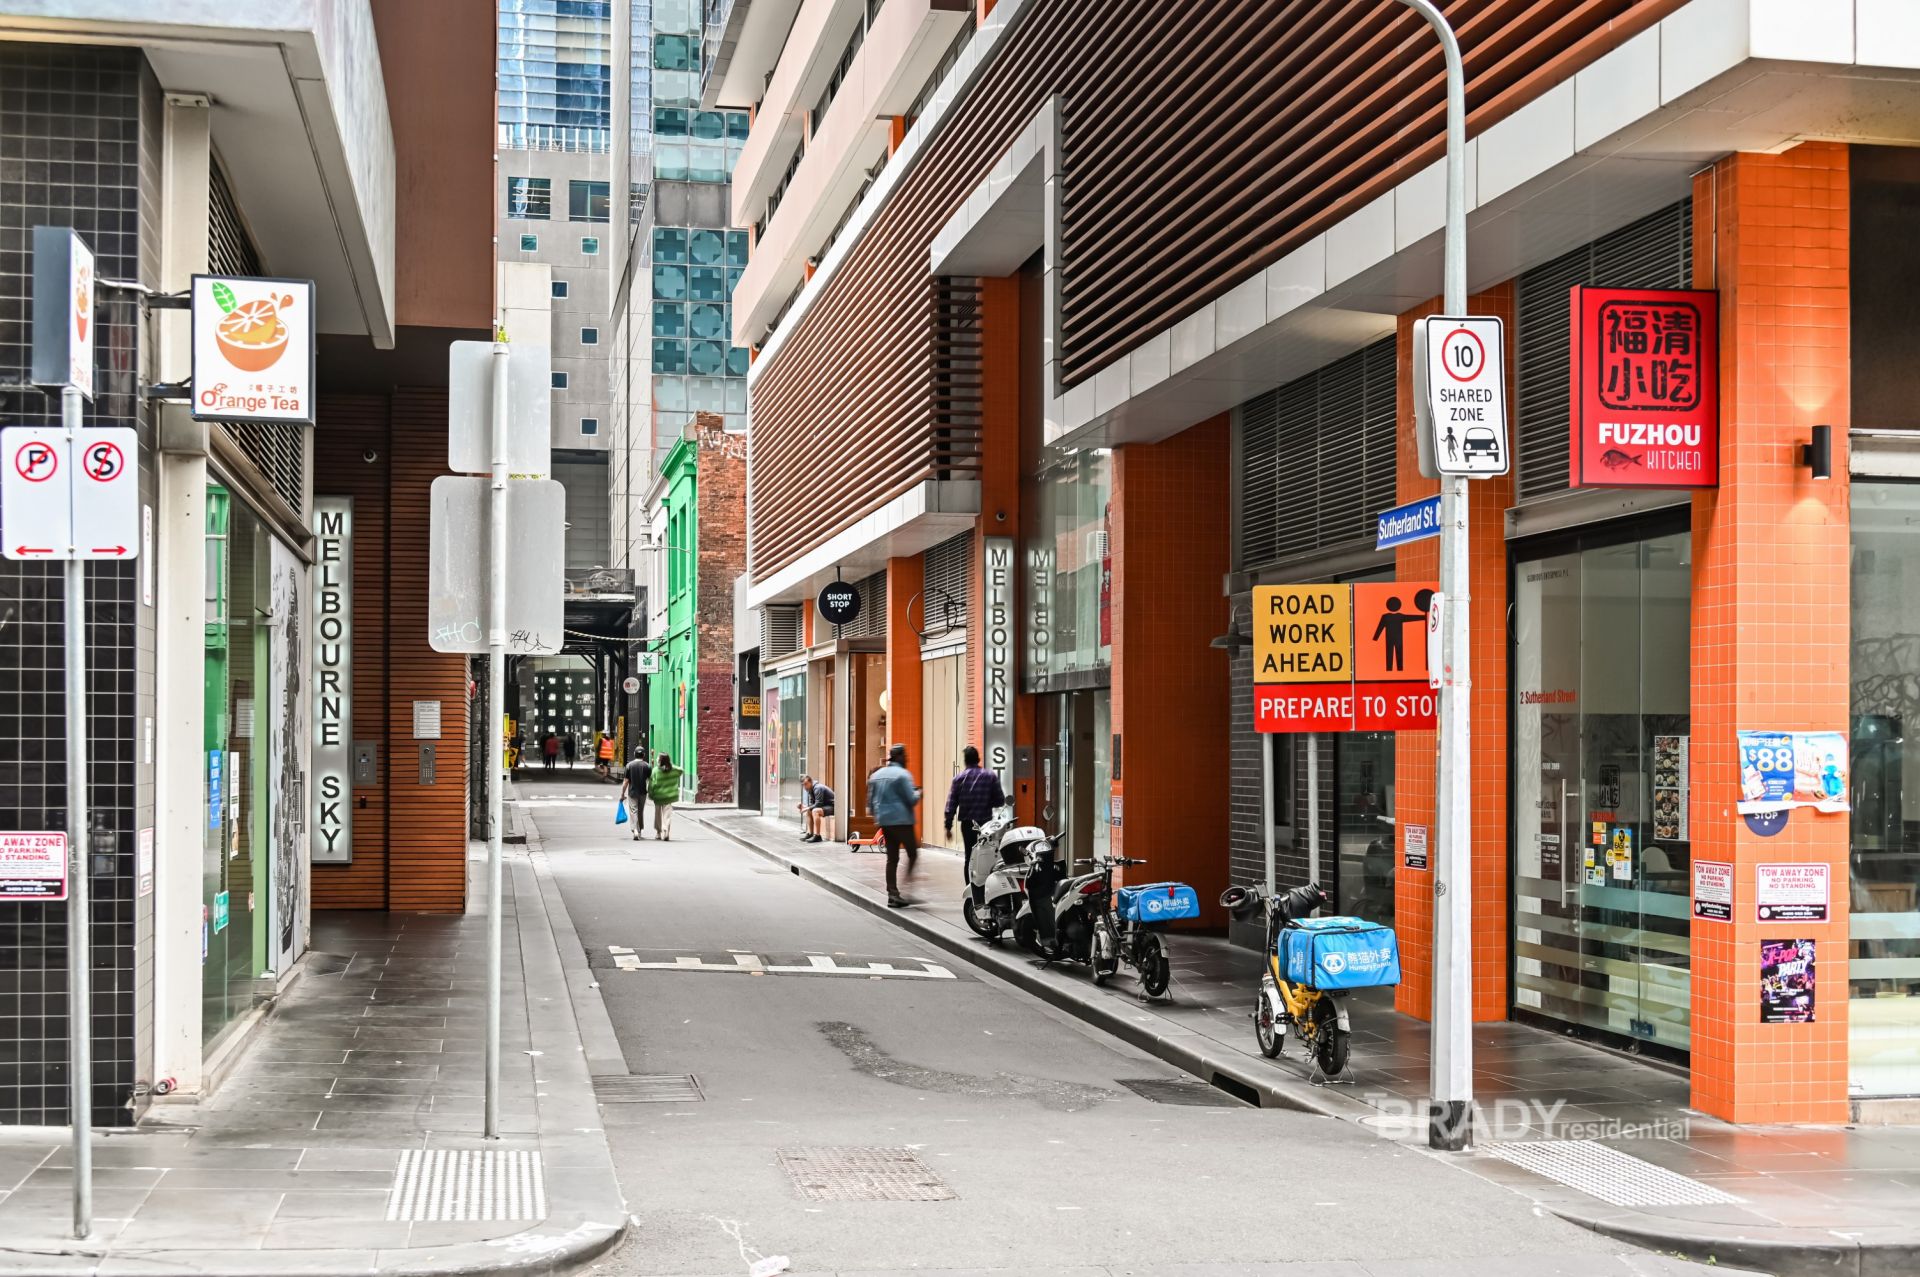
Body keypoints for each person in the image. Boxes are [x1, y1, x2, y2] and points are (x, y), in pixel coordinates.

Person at [945, 746, 1006, 906]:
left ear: (965, 761)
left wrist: (948, 826)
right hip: (986, 825)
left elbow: (951, 804)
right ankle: (989, 888)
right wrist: (987, 802)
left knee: (970, 858)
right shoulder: (990, 776)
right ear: (978, 759)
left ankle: (972, 892)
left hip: (968, 825)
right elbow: (1000, 800)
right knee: (989, 856)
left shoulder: (959, 779)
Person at [866, 743, 921, 908]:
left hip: (884, 822)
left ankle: (893, 894)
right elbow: (912, 799)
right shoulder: (903, 775)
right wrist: (919, 792)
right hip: (902, 821)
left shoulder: (876, 775)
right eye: (905, 755)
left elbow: (870, 803)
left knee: (892, 859)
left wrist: (878, 817)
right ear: (899, 757)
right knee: (913, 854)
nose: (907, 758)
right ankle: (905, 890)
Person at [648, 751, 684, 840]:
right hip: (669, 797)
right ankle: (666, 830)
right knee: (667, 815)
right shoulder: (673, 770)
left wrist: (650, 794)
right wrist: (670, 765)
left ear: (660, 760)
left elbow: (651, 784)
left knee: (658, 815)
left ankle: (658, 833)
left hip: (658, 796)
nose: (656, 758)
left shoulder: (655, 770)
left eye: (658, 757)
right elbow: (681, 770)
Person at [620, 748, 652, 840]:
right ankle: (640, 830)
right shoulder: (647, 766)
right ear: (644, 755)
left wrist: (622, 794)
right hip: (643, 792)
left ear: (634, 754)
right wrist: (649, 791)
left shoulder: (629, 765)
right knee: (640, 811)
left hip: (632, 792)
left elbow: (626, 781)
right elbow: (650, 781)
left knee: (634, 810)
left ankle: (635, 830)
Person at [798, 774, 835, 843]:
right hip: (825, 806)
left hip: (833, 807)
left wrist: (806, 808)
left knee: (815, 811)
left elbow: (818, 804)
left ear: (811, 782)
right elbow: (812, 804)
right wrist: (804, 807)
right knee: (809, 811)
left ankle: (818, 836)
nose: (805, 787)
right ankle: (810, 833)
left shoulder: (818, 788)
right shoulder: (810, 789)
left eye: (806, 784)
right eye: (803, 785)